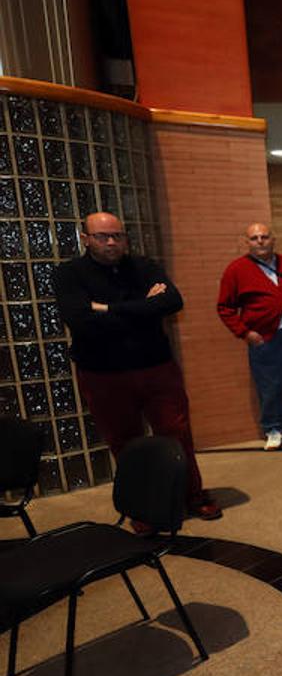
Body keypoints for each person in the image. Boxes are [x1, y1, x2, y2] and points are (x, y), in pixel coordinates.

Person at [55, 212, 221, 521]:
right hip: (103, 375)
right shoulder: (69, 274)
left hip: (156, 368)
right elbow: (80, 320)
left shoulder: (145, 266)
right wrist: (143, 308)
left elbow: (171, 302)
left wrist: (106, 309)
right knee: (125, 442)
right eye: (103, 236)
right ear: (85, 238)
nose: (111, 242)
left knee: (177, 433)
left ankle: (192, 496)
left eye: (117, 235)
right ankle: (143, 508)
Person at [216, 222, 282, 450]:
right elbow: (224, 307)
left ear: (273, 239)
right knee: (270, 387)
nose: (260, 241)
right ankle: (273, 428)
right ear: (247, 242)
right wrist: (245, 333)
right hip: (265, 339)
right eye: (254, 238)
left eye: (264, 237)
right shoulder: (236, 270)